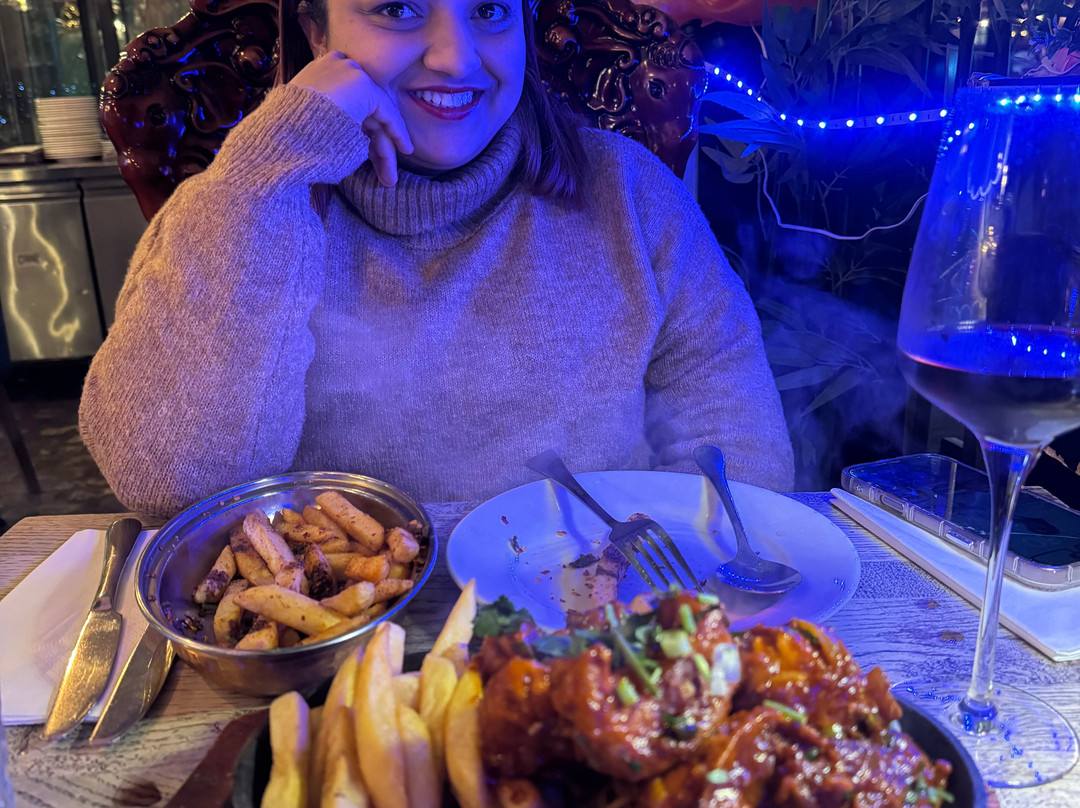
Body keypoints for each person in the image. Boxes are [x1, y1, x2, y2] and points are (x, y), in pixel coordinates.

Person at [78, 0, 794, 519]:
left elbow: (738, 447)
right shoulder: (238, 203)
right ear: (317, 32)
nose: (456, 57)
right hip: (345, 643)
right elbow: (169, 487)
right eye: (397, 8)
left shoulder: (632, 194)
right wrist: (275, 167)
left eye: (490, 10)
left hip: (598, 628)